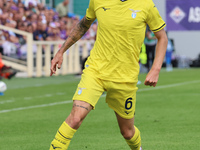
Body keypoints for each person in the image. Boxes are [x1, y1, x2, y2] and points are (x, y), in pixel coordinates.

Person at [49, 0, 168, 149]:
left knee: (128, 132)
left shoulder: (145, 4)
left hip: (124, 78)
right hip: (95, 71)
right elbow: (83, 24)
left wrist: (155, 69)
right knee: (75, 118)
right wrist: (61, 51)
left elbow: (162, 37)